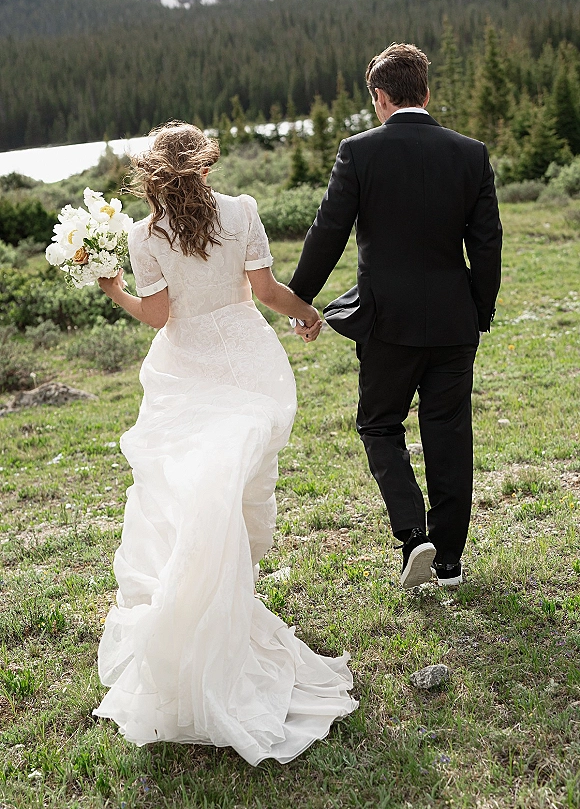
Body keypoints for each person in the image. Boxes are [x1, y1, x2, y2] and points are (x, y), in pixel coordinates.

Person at [93, 122, 357, 765]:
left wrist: (113, 291)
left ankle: (204, 604)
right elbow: (265, 292)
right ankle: (222, 598)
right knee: (234, 487)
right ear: (204, 167)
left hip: (187, 369)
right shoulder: (241, 213)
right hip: (244, 362)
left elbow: (160, 317)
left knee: (189, 492)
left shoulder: (143, 235)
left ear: (155, 178)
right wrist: (305, 314)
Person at [288, 43, 502, 590]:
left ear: (379, 97)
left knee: (380, 423)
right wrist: (478, 309)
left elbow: (328, 231)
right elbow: (487, 243)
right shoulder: (471, 154)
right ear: (426, 93)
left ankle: (414, 536)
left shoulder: (359, 152)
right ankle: (449, 561)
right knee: (449, 435)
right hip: (454, 321)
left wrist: (300, 301)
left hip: (387, 323)